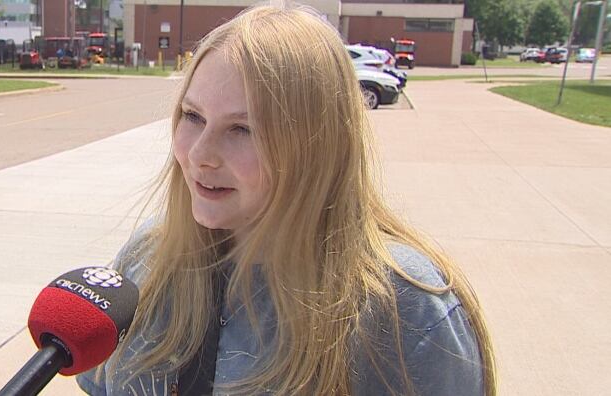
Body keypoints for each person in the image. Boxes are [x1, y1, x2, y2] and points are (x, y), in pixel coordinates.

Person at [77, 3, 495, 395]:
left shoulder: (405, 310)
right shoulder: (147, 256)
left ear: (317, 146)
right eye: (193, 116)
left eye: (243, 129)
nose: (199, 155)